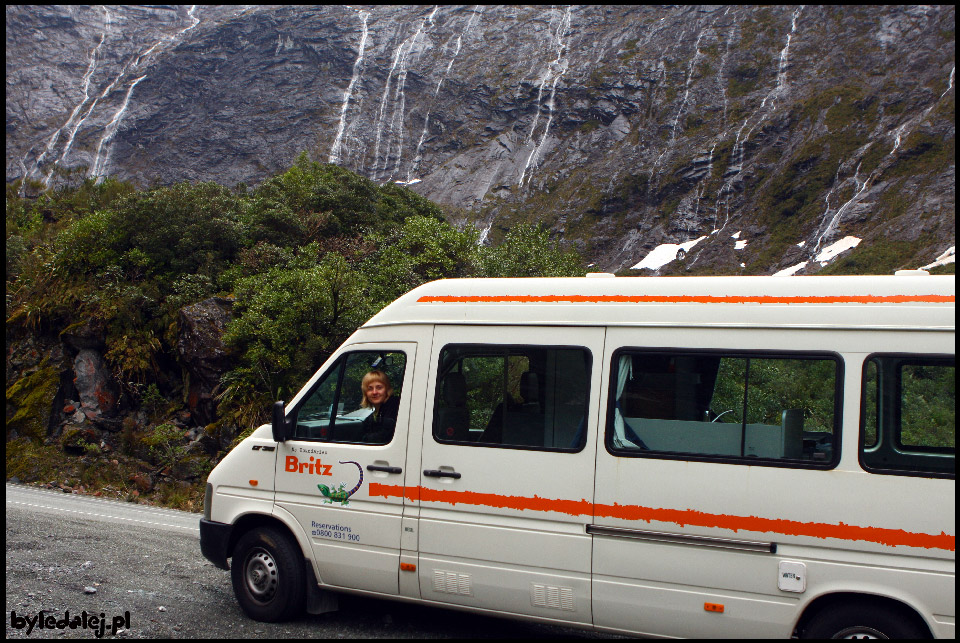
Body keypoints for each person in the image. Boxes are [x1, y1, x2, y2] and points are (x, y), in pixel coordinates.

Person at [359, 370, 400, 443]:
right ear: (365, 393)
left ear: (387, 389)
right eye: (370, 388)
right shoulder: (373, 416)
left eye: (379, 387)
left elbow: (384, 436)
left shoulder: (395, 407)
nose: (374, 392)